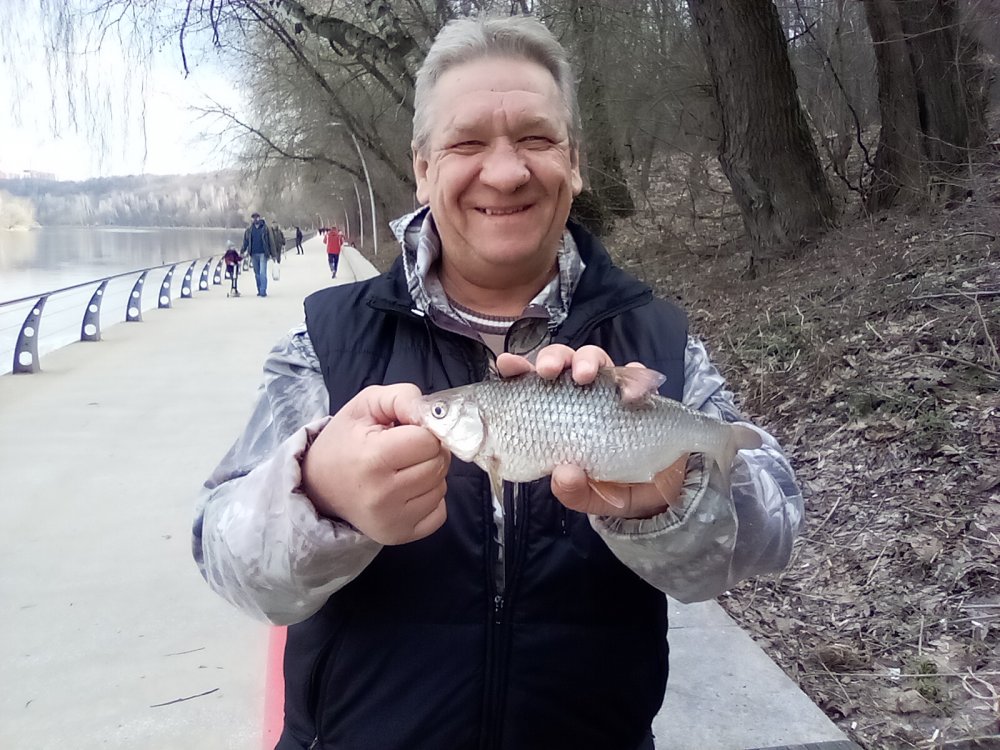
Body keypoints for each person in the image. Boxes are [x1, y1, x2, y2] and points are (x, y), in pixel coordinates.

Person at [193, 16, 802, 750]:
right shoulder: (325, 341)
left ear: (574, 163)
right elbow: (225, 561)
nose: (507, 172)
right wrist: (319, 496)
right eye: (468, 143)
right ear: (423, 169)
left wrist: (675, 494)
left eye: (537, 139)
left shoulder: (659, 339)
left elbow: (772, 534)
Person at [241, 211, 273, 297]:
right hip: (253, 254)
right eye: (253, 218)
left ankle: (263, 291)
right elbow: (245, 241)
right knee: (257, 274)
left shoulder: (265, 229)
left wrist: (273, 254)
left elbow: (271, 241)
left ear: (259, 218)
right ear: (252, 219)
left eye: (257, 217)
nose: (255, 219)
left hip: (263, 253)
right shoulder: (249, 230)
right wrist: (242, 251)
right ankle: (259, 289)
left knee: (262, 273)